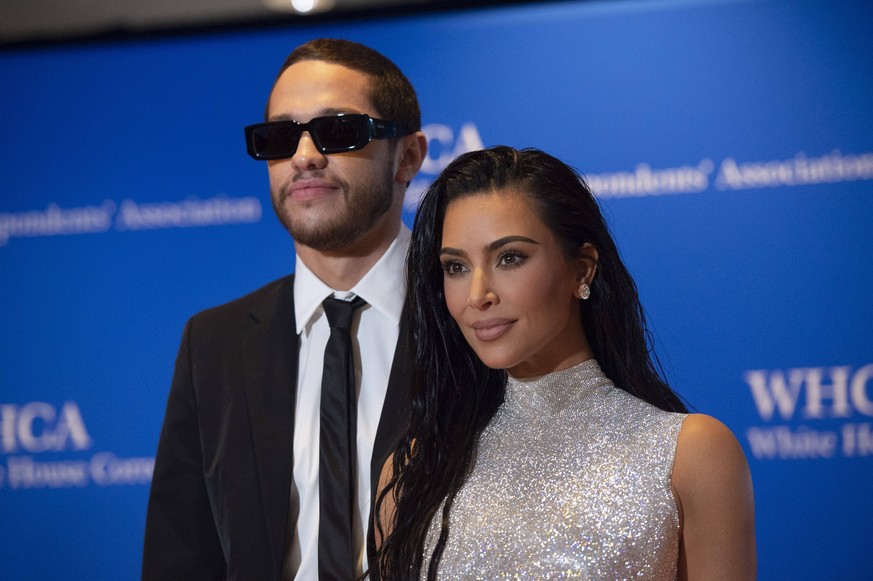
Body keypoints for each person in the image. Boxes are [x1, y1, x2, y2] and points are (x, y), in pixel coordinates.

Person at [373, 146, 756, 580]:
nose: (477, 295)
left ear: (582, 271)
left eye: (510, 258)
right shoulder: (416, 469)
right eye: (456, 266)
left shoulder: (690, 455)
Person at [142, 38, 427, 580]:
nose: (304, 156)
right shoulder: (214, 344)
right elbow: (180, 557)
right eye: (279, 137)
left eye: (338, 130)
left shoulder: (474, 321)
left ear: (407, 156)